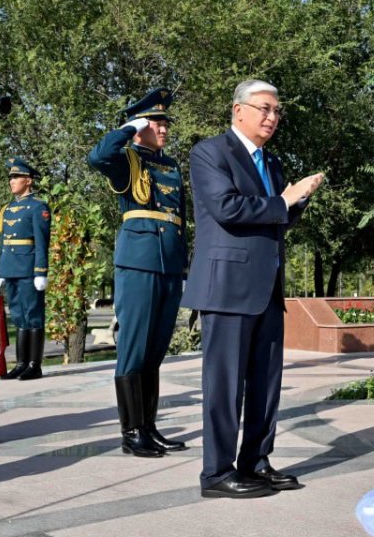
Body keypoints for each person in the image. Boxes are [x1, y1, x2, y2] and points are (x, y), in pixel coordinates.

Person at [182, 80, 323, 499]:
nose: (272, 117)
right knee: (225, 385)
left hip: (267, 287)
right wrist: (284, 201)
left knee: (266, 383)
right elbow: (227, 208)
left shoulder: (272, 163)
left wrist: (298, 200)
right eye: (264, 108)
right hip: (227, 287)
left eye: (277, 111)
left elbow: (276, 220)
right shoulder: (210, 152)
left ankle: (255, 462)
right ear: (238, 110)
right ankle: (217, 473)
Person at [88, 87, 188, 458]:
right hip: (139, 262)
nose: (163, 129)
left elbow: (180, 218)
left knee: (156, 350)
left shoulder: (171, 165)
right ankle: (131, 432)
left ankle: (149, 427)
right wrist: (130, 128)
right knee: (134, 348)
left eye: (165, 123)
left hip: (169, 264)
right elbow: (97, 157)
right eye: (155, 123)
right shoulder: (125, 160)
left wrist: (184, 264)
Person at [0, 157, 51, 380]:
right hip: (11, 269)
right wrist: (1, 274)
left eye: (16, 177)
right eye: (11, 177)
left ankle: (34, 365)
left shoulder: (37, 207)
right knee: (18, 316)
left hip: (28, 268)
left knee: (33, 315)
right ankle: (20, 364)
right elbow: (4, 243)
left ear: (28, 180)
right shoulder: (8, 210)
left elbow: (41, 241)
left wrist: (40, 271)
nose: (11, 181)